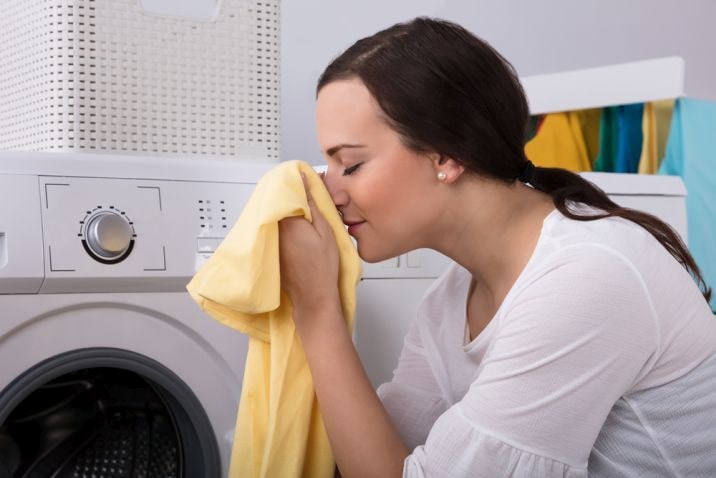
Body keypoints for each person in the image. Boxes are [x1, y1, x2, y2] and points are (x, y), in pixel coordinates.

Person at [278, 17, 716, 477]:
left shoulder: (585, 275)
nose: (331, 191)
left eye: (350, 164)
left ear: (446, 156)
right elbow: (382, 452)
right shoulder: (453, 297)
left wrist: (318, 311)